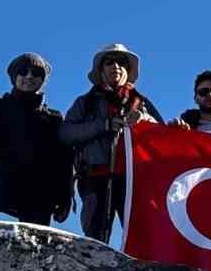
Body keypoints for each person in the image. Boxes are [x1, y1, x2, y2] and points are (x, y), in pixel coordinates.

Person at [59, 43, 163, 243]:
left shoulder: (141, 103)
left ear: (127, 70)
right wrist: (104, 125)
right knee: (95, 240)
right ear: (101, 69)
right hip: (94, 177)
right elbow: (66, 133)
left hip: (133, 181)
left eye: (122, 63)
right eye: (110, 62)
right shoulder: (85, 103)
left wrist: (143, 120)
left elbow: (161, 135)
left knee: (139, 238)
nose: (116, 66)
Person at [0, 53, 73, 225]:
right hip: (1, 181)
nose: (29, 76)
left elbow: (63, 162)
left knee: (37, 241)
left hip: (38, 190)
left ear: (43, 80)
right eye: (23, 71)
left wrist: (65, 197)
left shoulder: (53, 119)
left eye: (37, 73)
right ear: (14, 77)